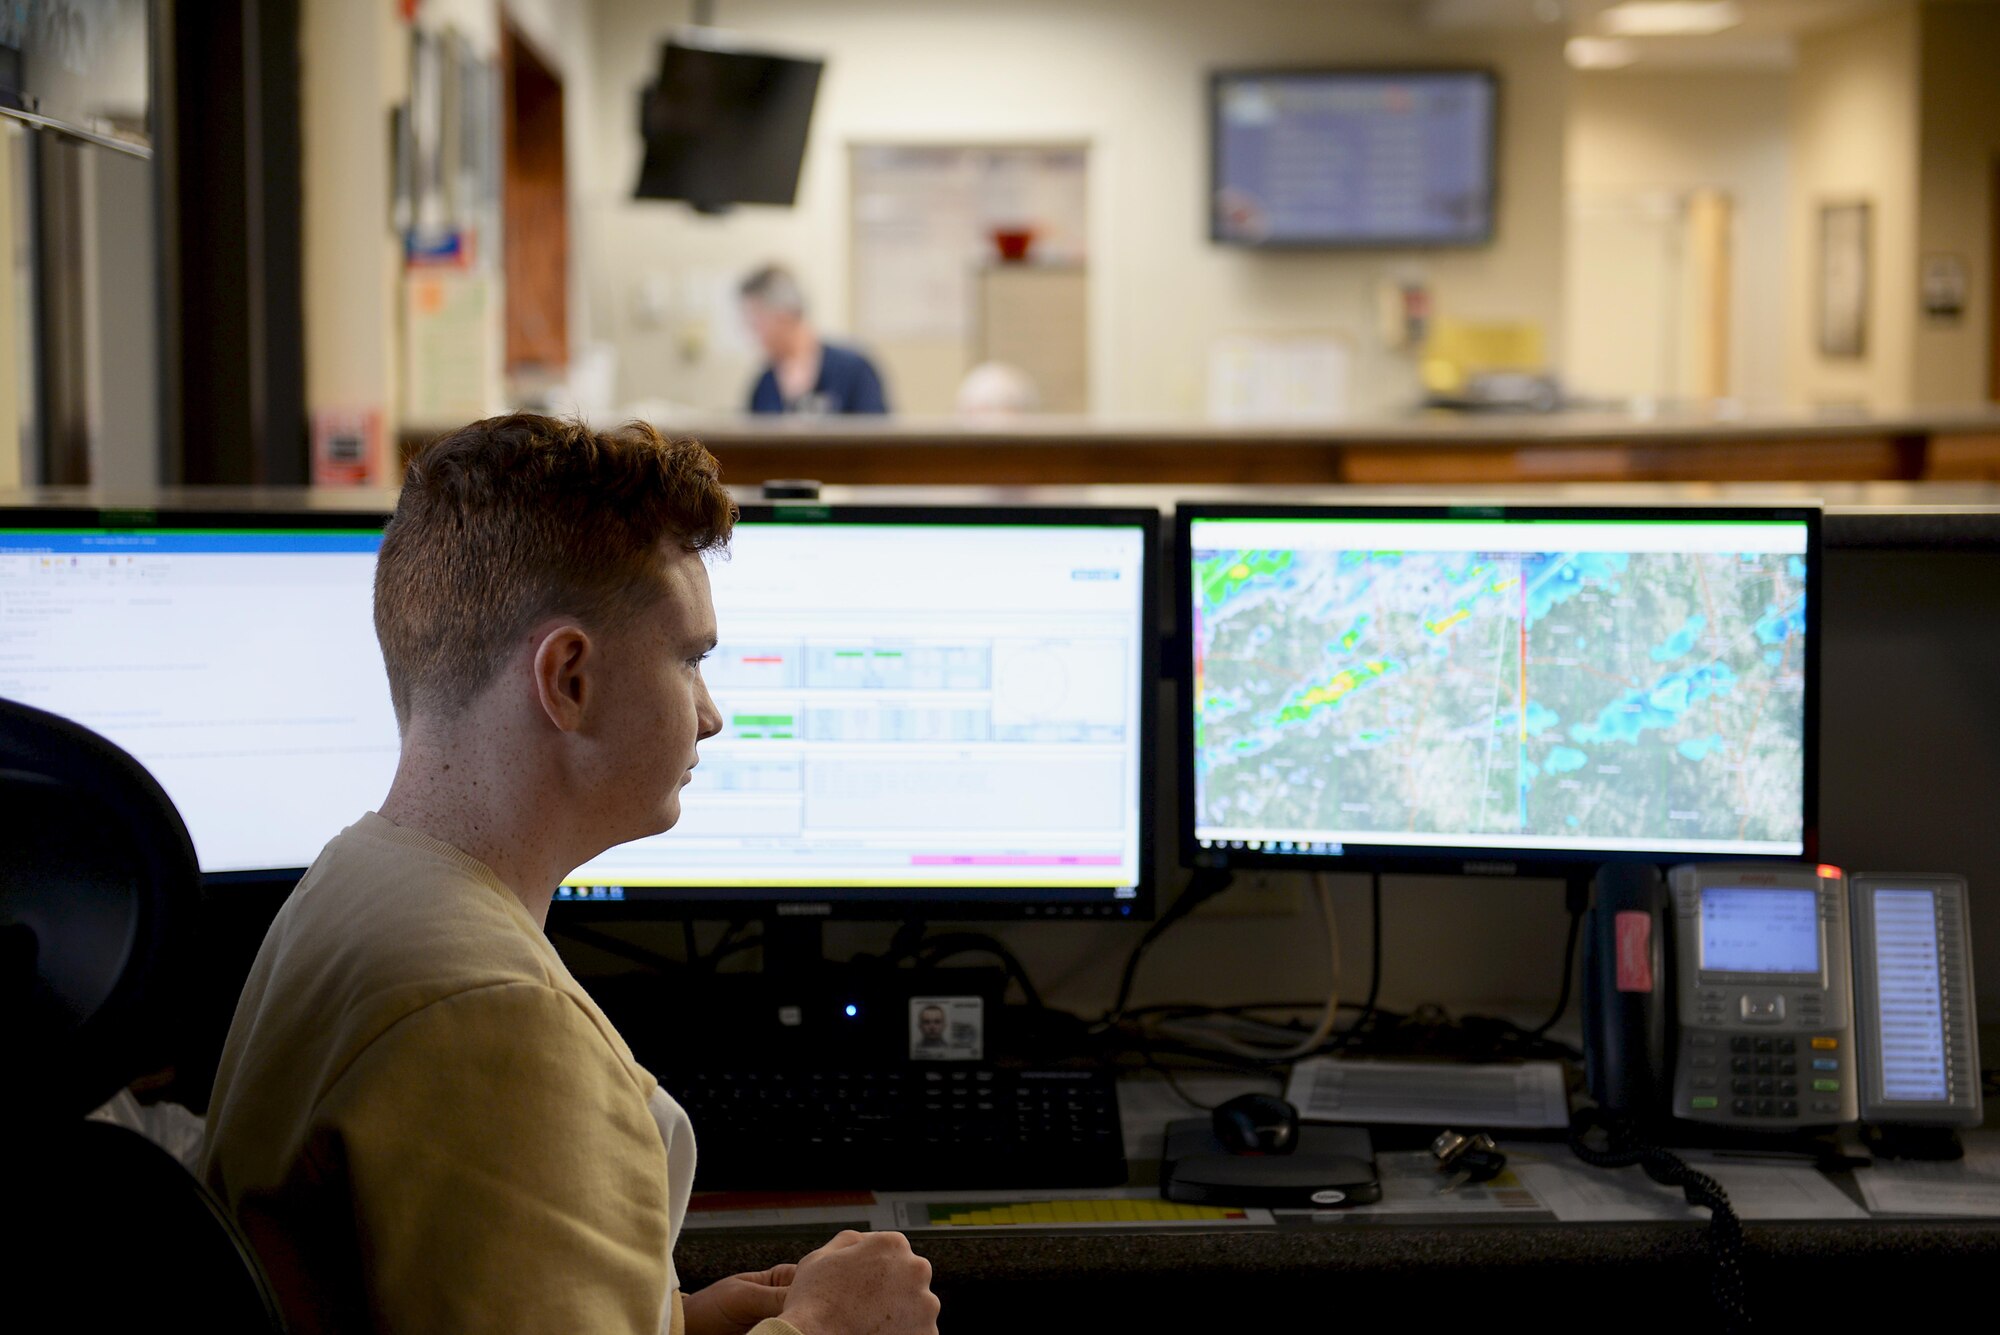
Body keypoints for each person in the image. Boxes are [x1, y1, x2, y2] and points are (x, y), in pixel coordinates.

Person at [200, 414, 939, 1335]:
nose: (711, 715)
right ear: (569, 679)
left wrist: (667, 1319)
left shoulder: (357, 881)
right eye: (691, 659)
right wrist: (830, 1328)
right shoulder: (498, 1016)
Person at [740, 264, 889, 415]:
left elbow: (879, 433)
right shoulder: (765, 384)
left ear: (783, 315)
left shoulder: (854, 371)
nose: (753, 333)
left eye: (757, 322)